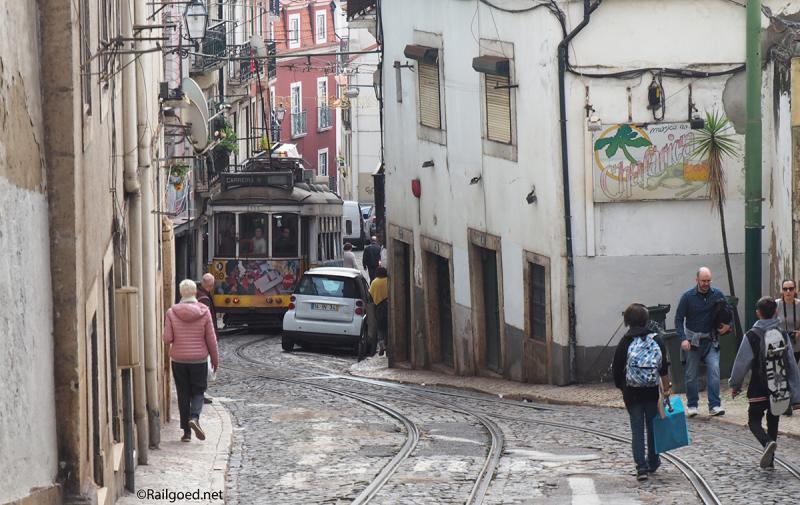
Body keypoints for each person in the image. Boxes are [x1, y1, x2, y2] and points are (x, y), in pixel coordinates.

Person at [729, 296, 800, 468]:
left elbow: (741, 362)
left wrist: (735, 385)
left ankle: (766, 443)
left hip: (758, 387)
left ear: (758, 313)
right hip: (779, 386)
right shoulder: (783, 334)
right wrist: (796, 394)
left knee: (754, 420)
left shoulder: (752, 335)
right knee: (773, 419)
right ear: (776, 312)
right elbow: (791, 363)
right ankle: (771, 457)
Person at [612, 303, 670, 481]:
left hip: (632, 393)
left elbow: (616, 369)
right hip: (651, 391)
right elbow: (664, 368)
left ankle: (641, 469)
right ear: (646, 320)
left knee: (637, 430)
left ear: (627, 321)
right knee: (653, 427)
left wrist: (622, 387)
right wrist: (666, 390)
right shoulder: (656, 339)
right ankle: (653, 461)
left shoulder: (625, 341)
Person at [162, 279, 219, 442]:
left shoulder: (171, 312)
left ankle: (186, 433)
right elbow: (211, 339)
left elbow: (167, 338)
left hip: (178, 360)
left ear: (181, 293)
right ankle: (194, 417)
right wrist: (215, 360)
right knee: (198, 391)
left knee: (183, 394)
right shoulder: (204, 311)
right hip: (199, 360)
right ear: (195, 293)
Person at [674, 267, 730, 417]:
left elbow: (728, 310)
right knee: (691, 375)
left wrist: (727, 326)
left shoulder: (717, 294)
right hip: (693, 342)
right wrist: (683, 338)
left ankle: (714, 405)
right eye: (703, 281)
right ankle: (692, 405)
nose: (706, 283)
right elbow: (678, 319)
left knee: (714, 370)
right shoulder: (687, 297)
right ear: (697, 280)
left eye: (708, 280)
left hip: (711, 340)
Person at [196, 273, 218, 405]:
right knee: (204, 367)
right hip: (203, 339)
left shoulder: (198, 293)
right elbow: (207, 321)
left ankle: (199, 394)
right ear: (210, 285)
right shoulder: (204, 298)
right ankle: (200, 395)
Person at [776, 279, 800, 363]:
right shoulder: (776, 304)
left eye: (791, 288)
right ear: (782, 291)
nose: (788, 291)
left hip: (796, 345)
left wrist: (798, 332)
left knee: (793, 373)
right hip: (780, 345)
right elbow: (770, 322)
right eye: (785, 289)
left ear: (795, 290)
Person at [370, 267, 389, 356]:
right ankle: (388, 345)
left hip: (379, 307)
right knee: (388, 327)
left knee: (380, 327)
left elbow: (371, 295)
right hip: (389, 306)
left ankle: (381, 343)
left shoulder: (374, 282)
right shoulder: (388, 280)